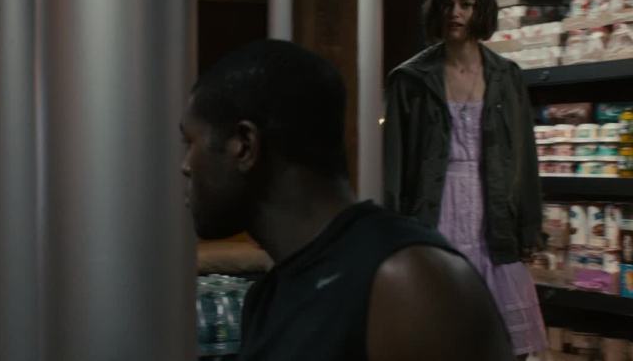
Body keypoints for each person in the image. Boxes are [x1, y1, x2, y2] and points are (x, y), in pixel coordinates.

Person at [180, 39, 513, 361]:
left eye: (190, 142)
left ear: (244, 145)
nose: (185, 166)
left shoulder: (405, 283)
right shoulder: (266, 298)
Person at [383, 0, 547, 359]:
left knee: (506, 342)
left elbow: (524, 155)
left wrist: (529, 227)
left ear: (481, 11)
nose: (455, 13)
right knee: (438, 335)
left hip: (493, 212)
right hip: (434, 210)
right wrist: (392, 233)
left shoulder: (506, 76)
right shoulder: (410, 79)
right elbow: (393, 164)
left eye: (466, 5)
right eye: (448, 4)